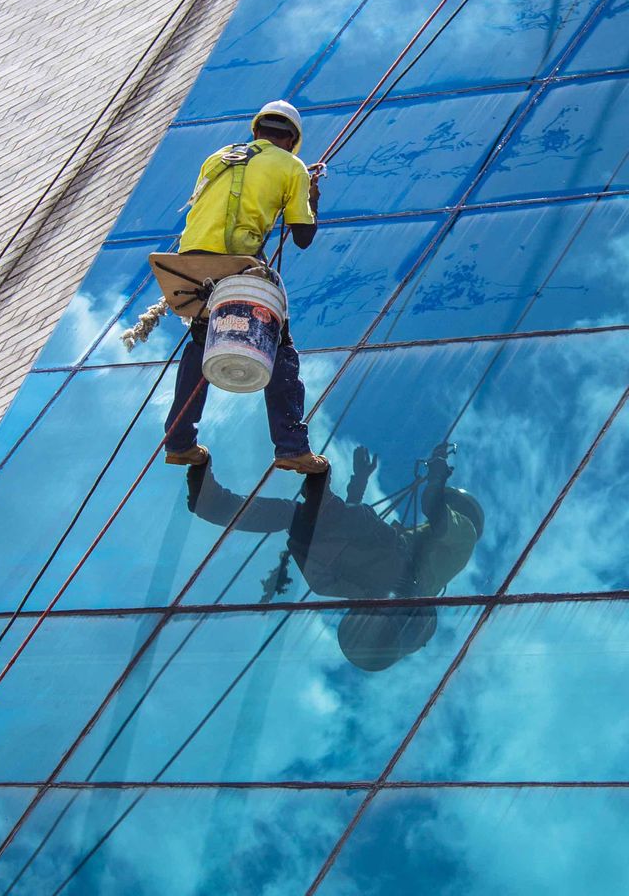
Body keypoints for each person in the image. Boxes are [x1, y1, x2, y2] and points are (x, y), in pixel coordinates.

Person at [186, 444, 484, 672]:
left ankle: (317, 504)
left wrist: (436, 477)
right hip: (361, 580)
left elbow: (431, 508)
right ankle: (214, 504)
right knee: (302, 520)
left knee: (349, 528)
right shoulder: (409, 545)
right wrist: (360, 480)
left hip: (388, 585)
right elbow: (355, 528)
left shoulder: (464, 536)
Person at [163, 100, 328, 475]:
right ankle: (291, 446)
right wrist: (310, 197)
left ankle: (178, 442)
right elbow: (302, 236)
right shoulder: (293, 166)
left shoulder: (218, 157)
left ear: (256, 132)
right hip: (235, 263)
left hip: (191, 262)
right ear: (291, 140)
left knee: (203, 341)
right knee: (280, 346)